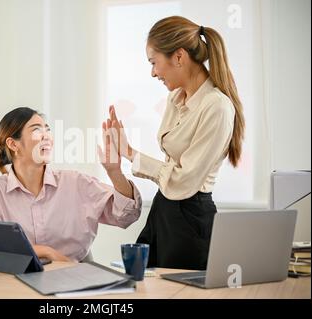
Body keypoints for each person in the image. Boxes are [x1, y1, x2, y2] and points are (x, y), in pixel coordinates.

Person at [104, 16, 245, 270]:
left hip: (191, 217)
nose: (153, 72)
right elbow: (173, 174)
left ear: (179, 57)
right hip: (164, 210)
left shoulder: (217, 106)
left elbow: (183, 181)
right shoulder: (176, 99)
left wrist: (132, 154)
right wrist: (125, 150)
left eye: (154, 62)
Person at [0, 107, 142, 262]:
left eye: (48, 130)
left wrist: (115, 172)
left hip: (72, 282)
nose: (47, 136)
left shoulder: (75, 183)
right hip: (16, 284)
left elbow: (127, 215)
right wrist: (46, 252)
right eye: (37, 130)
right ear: (13, 144)